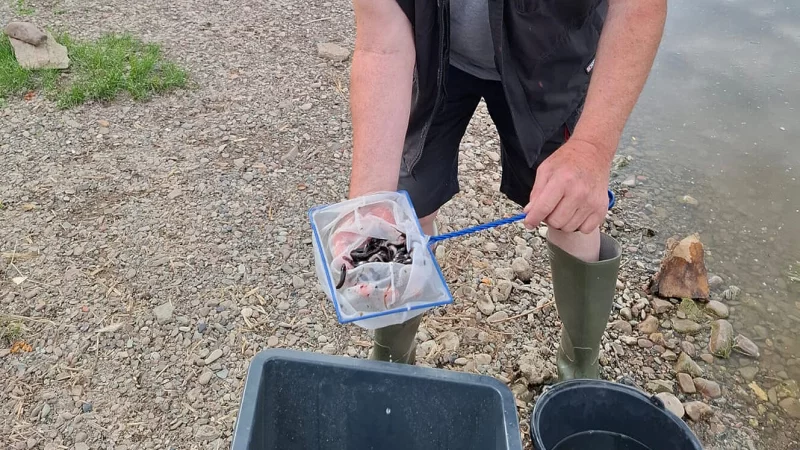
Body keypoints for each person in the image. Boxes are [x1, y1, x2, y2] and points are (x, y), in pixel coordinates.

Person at [344, 0, 667, 381]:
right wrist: (371, 203)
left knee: (569, 207)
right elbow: (381, 45)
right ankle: (391, 359)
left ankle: (579, 366)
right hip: (435, 51)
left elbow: (637, 6)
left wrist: (593, 148)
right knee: (403, 206)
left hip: (551, 54)